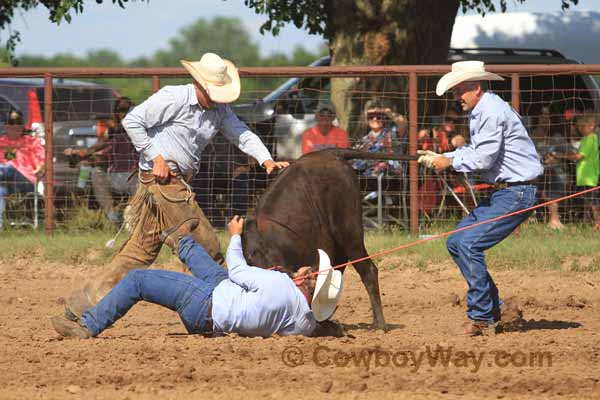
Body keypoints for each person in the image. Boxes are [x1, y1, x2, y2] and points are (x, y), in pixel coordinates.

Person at [62, 53, 289, 321]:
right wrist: (157, 157)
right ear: (201, 85)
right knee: (207, 245)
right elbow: (132, 121)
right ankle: (232, 306)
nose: (220, 98)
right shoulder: (174, 97)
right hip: (164, 181)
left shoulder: (219, 110)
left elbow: (240, 132)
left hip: (172, 182)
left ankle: (83, 302)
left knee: (140, 252)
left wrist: (266, 159)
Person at [50, 216, 344, 339]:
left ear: (307, 282)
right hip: (216, 314)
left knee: (139, 279)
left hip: (203, 304)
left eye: (309, 270)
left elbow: (239, 271)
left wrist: (235, 236)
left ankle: (87, 326)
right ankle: (180, 240)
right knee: (218, 277)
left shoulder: (281, 283)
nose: (303, 269)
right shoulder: (305, 325)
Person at [419, 61, 543, 336]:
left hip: (517, 192)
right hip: (510, 191)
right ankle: (493, 307)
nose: (456, 97)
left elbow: (483, 157)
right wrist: (445, 157)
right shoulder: (483, 109)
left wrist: (447, 161)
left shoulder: (490, 111)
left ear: (475, 87)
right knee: (456, 242)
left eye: (459, 90)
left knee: (468, 243)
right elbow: (479, 151)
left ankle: (482, 317)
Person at [64, 97, 138, 225]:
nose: (124, 114)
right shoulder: (110, 133)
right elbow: (94, 151)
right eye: (121, 110)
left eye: (127, 110)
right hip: (116, 176)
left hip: (136, 178)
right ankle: (112, 216)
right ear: (115, 113)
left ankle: (135, 214)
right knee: (96, 173)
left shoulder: (141, 131)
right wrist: (78, 154)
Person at [0, 110, 45, 229]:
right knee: (0, 189)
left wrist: (40, 168)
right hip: (6, 181)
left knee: (8, 168)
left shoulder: (32, 142)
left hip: (26, 181)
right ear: (6, 127)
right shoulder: (2, 142)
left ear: (22, 127)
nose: (15, 131)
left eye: (18, 128)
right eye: (11, 128)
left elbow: (42, 162)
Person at [530, 106, 571, 230]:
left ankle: (554, 220)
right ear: (536, 118)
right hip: (533, 173)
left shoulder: (557, 138)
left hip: (554, 173)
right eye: (542, 116)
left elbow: (571, 153)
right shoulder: (528, 137)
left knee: (554, 177)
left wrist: (557, 156)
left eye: (548, 116)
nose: (545, 119)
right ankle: (528, 219)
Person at [353, 102, 406, 176]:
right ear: (366, 119)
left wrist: (388, 112)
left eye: (379, 116)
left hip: (390, 179)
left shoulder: (392, 133)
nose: (375, 119)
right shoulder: (363, 140)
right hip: (365, 179)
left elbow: (403, 124)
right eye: (370, 116)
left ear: (385, 117)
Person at [566, 113, 600, 230]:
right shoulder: (585, 139)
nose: (580, 129)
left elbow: (579, 156)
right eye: (579, 127)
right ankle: (586, 221)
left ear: (591, 126)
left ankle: (597, 222)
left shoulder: (591, 138)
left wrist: (563, 155)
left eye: (582, 126)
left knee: (593, 202)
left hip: (590, 176)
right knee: (587, 201)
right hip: (583, 176)